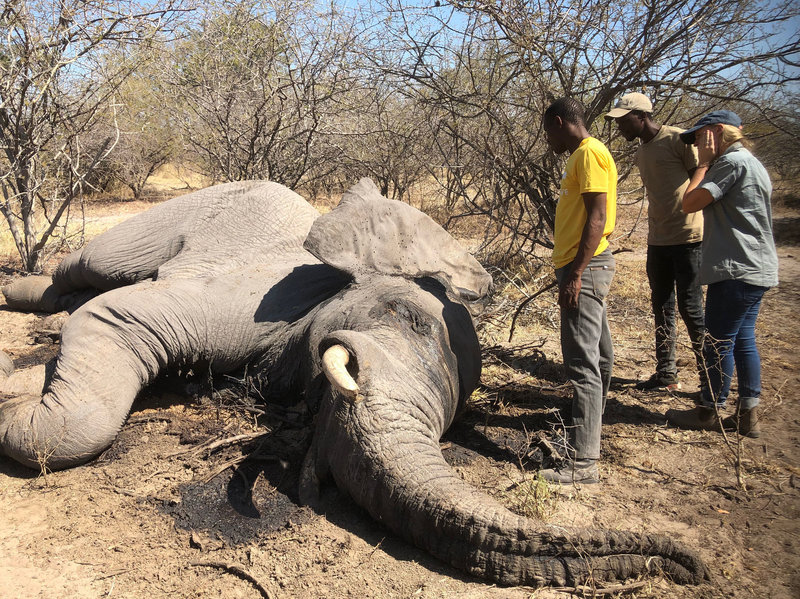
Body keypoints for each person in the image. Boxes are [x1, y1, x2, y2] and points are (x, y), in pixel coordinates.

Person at [665, 110, 778, 438]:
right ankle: (747, 415)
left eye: (698, 138)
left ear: (715, 133)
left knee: (717, 344)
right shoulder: (752, 162)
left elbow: (689, 203)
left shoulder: (729, 163)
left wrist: (702, 165)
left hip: (735, 269)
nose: (696, 146)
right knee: (743, 340)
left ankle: (708, 410)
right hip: (756, 268)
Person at [605, 93, 706, 394]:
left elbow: (700, 174)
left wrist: (695, 209)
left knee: (691, 308)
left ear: (641, 116)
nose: (620, 126)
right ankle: (666, 373)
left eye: (624, 120)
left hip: (688, 237)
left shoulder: (677, 139)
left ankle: (710, 380)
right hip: (657, 239)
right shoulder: (641, 152)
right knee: (661, 306)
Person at [539, 97, 617, 484]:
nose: (548, 140)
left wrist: (575, 274)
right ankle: (587, 435)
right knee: (600, 355)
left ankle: (584, 463)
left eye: (547, 131)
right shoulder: (585, 154)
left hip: (584, 267)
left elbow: (598, 216)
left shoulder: (588, 155)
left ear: (558, 122)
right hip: (584, 265)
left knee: (581, 363)